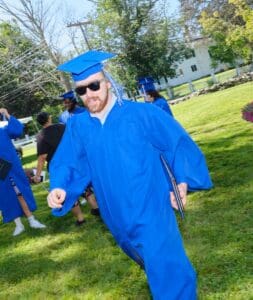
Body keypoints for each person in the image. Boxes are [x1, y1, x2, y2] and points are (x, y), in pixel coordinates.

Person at [47, 50, 213, 299]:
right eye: (81, 90)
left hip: (151, 209)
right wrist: (59, 187)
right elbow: (70, 162)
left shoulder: (142, 114)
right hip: (114, 216)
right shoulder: (79, 126)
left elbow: (176, 144)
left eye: (94, 85)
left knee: (169, 271)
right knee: (152, 264)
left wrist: (182, 180)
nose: (89, 94)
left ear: (108, 82)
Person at [34, 111, 99, 224]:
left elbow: (42, 158)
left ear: (40, 123)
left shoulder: (41, 136)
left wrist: (37, 175)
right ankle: (95, 208)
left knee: (66, 193)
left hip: (59, 169)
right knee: (83, 186)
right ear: (49, 118)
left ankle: (80, 219)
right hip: (74, 163)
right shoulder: (63, 127)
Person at [0, 108, 46, 236]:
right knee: (6, 197)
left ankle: (32, 220)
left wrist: (7, 114)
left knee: (20, 192)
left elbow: (17, 130)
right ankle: (18, 225)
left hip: (12, 167)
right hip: (0, 171)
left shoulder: (2, 130)